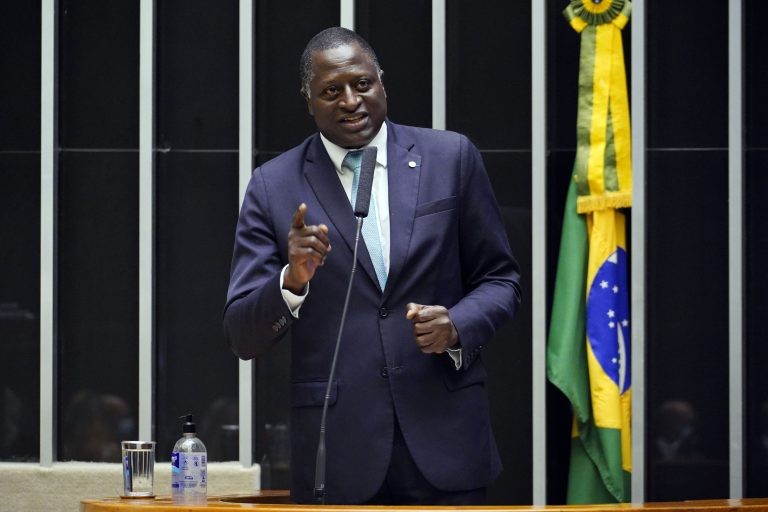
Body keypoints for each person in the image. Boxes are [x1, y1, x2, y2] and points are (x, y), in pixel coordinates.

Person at [224, 26, 521, 505]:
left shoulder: (450, 158)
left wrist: (456, 325)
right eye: (331, 91)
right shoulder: (272, 186)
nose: (350, 101)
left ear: (381, 81)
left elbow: (501, 279)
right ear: (309, 101)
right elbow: (243, 334)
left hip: (446, 438)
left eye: (362, 84)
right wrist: (291, 281)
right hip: (339, 453)